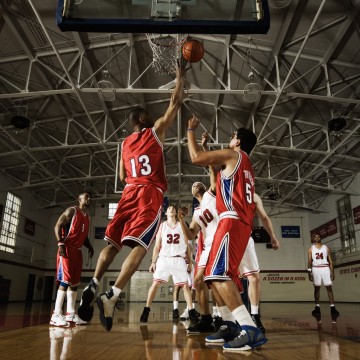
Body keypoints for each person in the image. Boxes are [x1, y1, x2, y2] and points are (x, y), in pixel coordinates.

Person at [78, 67, 186, 331]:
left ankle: (93, 283)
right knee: (139, 246)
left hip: (127, 192)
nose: (151, 115)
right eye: (147, 114)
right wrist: (181, 77)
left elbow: (122, 173)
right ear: (141, 118)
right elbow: (176, 102)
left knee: (113, 243)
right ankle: (112, 294)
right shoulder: (155, 131)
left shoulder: (125, 144)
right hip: (148, 194)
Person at [186, 115, 267, 351]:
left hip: (232, 221)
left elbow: (196, 158)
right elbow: (214, 171)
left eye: (233, 136)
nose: (230, 139)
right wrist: (206, 147)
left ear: (238, 142)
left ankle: (248, 327)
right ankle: (230, 324)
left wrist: (190, 130)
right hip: (236, 223)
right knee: (212, 277)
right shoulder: (244, 165)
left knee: (219, 276)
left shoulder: (234, 155)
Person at [178, 132, 220, 333]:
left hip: (219, 242)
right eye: (192, 185)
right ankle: (205, 319)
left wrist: (204, 146)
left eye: (198, 183)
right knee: (197, 281)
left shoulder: (212, 194)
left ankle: (225, 318)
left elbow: (212, 168)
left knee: (217, 283)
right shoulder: (195, 212)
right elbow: (191, 235)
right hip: (207, 247)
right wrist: (180, 219)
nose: (195, 184)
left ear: (202, 188)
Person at [139, 205, 197, 323]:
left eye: (173, 208)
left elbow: (187, 246)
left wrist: (189, 262)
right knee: (155, 285)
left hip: (179, 259)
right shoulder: (162, 225)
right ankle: (146, 310)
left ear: (175, 213)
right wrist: (153, 262)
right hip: (164, 259)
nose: (171, 209)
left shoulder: (182, 224)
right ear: (166, 212)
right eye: (169, 208)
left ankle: (191, 312)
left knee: (185, 286)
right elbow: (157, 246)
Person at [50, 192, 94, 327]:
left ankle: (70, 314)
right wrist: (60, 244)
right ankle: (56, 314)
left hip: (78, 251)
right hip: (67, 248)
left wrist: (90, 246)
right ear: (79, 198)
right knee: (65, 281)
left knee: (74, 283)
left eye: (90, 197)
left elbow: (83, 236)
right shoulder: (72, 211)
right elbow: (57, 225)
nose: (89, 199)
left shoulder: (87, 217)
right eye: (86, 197)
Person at [239, 192, 280, 335]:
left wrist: (273, 236)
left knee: (254, 278)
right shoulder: (224, 186)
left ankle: (255, 315)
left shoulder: (252, 195)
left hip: (245, 237)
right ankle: (226, 317)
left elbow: (264, 217)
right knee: (225, 279)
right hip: (227, 236)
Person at [307, 233, 339, 317]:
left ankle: (332, 307)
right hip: (316, 268)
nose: (316, 237)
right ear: (313, 239)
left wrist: (332, 272)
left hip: (325, 268)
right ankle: (317, 307)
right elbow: (309, 261)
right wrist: (309, 271)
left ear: (321, 237)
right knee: (317, 288)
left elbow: (330, 261)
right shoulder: (310, 249)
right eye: (314, 236)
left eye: (318, 236)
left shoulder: (326, 248)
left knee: (329, 288)